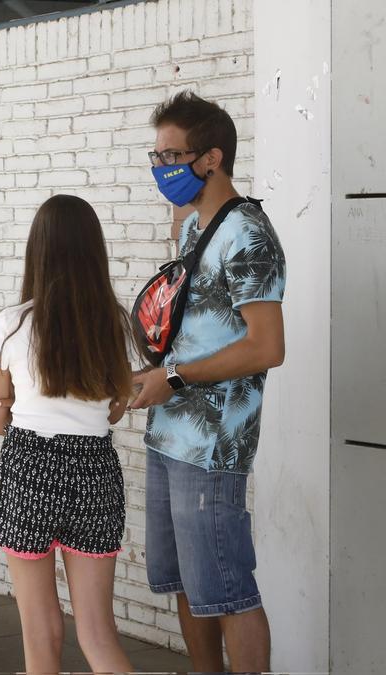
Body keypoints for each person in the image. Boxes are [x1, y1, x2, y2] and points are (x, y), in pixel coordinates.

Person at [129, 91, 285, 673]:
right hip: (169, 434)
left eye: (172, 156)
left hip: (214, 444)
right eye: (156, 154)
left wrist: (173, 375)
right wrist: (152, 372)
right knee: (188, 585)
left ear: (212, 158)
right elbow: (194, 331)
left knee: (228, 589)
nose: (160, 168)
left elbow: (267, 346)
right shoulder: (196, 226)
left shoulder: (247, 234)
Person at [0, 194, 134, 674]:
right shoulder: (117, 323)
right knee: (98, 632)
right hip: (96, 472)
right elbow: (114, 411)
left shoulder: (10, 326)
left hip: (29, 467)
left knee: (40, 626)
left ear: (37, 251)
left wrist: (14, 405)